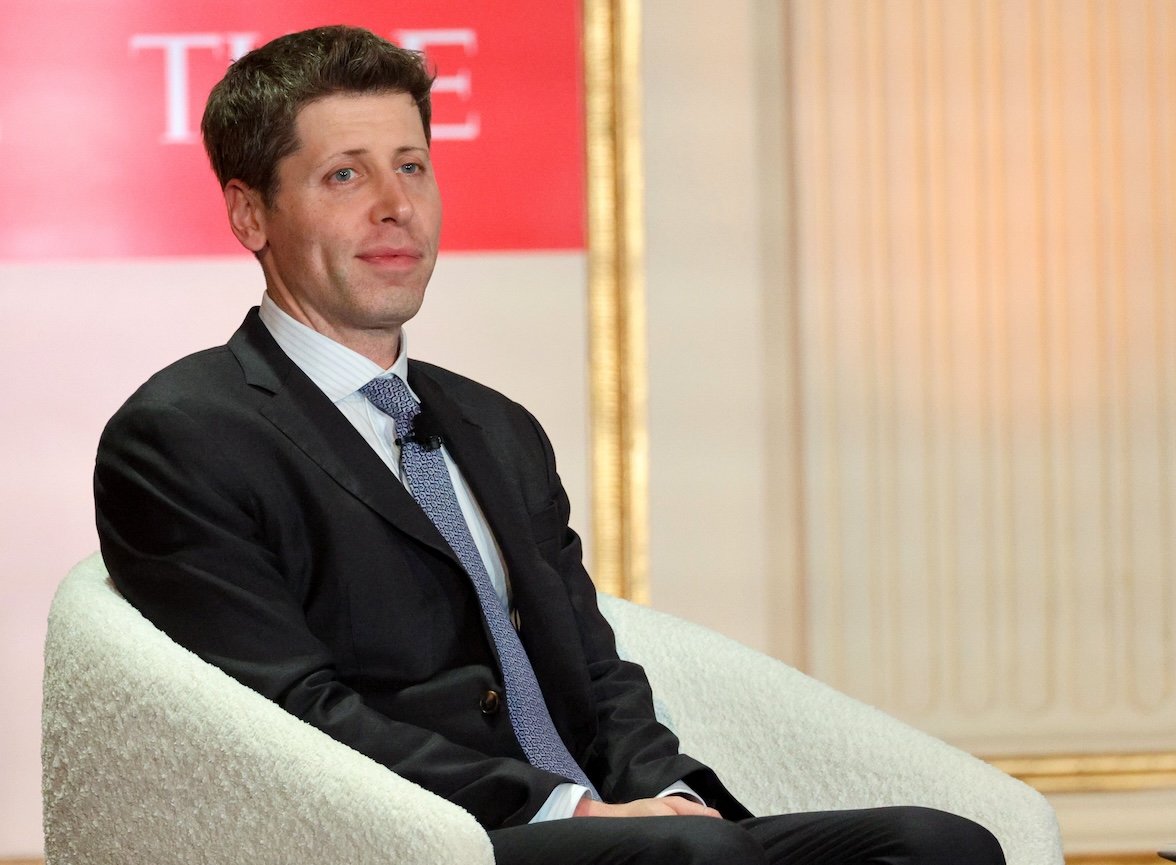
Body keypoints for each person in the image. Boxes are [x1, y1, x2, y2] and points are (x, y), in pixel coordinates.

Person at [93, 24, 1007, 865]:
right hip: (427, 835)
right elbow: (292, 715)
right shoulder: (184, 436)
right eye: (346, 175)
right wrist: (567, 812)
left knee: (938, 845)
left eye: (412, 167)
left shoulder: (495, 424)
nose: (395, 206)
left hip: (619, 828)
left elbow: (593, 666)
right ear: (251, 215)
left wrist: (663, 791)